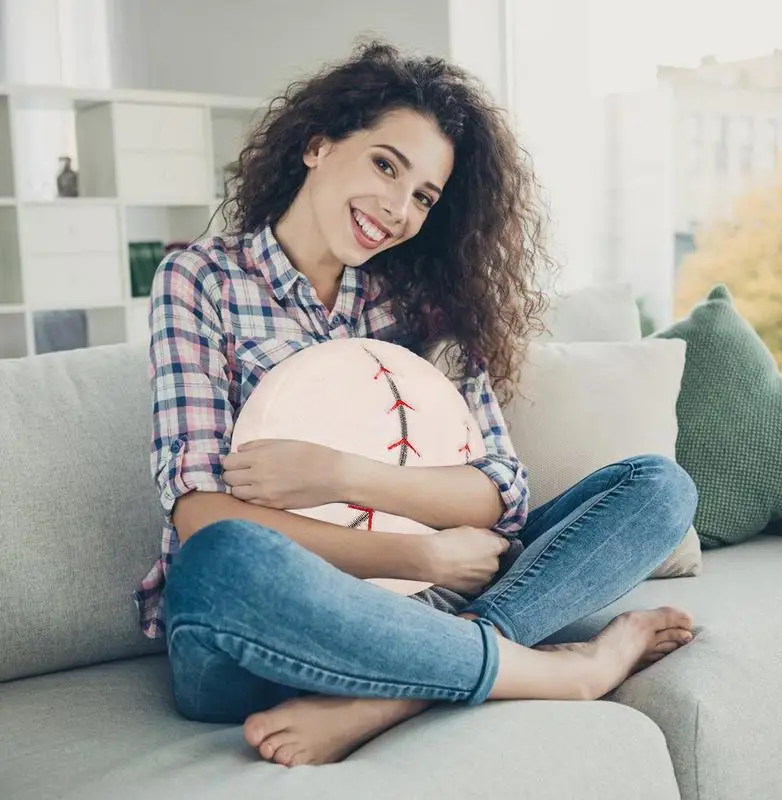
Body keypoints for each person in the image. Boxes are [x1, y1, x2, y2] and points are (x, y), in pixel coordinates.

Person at [134, 41, 698, 769]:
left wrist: (341, 475)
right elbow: (199, 511)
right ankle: (563, 670)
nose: (397, 209)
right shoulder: (200, 279)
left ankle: (392, 696)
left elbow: (499, 494)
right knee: (220, 561)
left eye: (425, 196)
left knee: (657, 488)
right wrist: (417, 550)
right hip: (261, 628)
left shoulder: (421, 306)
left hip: (425, 606)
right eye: (385, 164)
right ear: (318, 143)